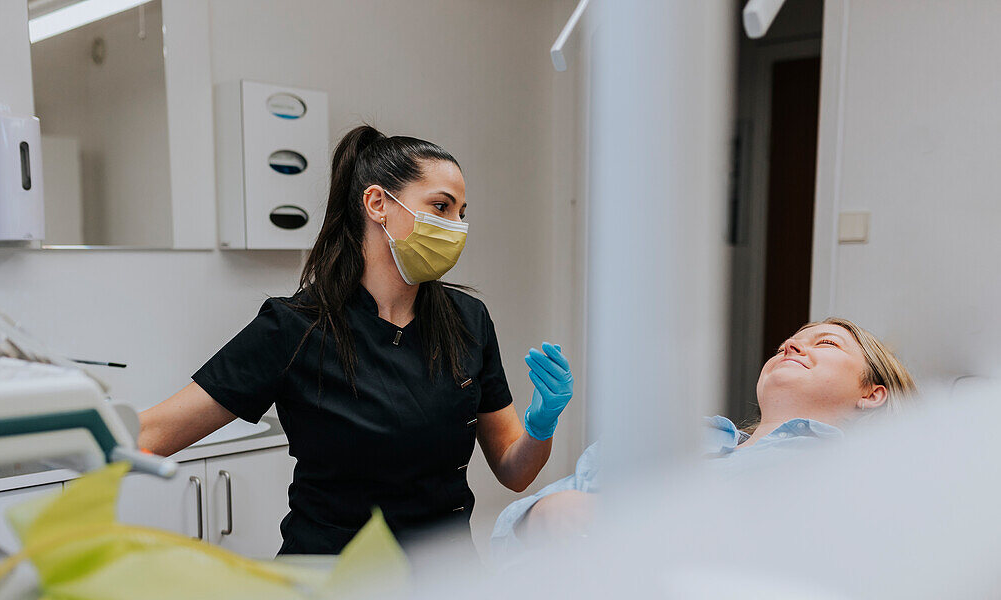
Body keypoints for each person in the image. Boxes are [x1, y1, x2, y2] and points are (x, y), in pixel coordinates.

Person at [139, 125, 574, 555]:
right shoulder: (295, 328)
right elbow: (152, 434)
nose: (456, 226)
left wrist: (540, 426)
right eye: (441, 207)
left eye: (460, 212)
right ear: (378, 203)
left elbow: (514, 472)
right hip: (334, 590)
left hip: (444, 587)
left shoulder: (468, 320)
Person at [491, 317, 917, 559]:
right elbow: (510, 533)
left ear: (872, 393)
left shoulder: (845, 476)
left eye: (825, 343)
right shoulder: (683, 436)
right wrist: (541, 517)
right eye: (788, 342)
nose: (789, 346)